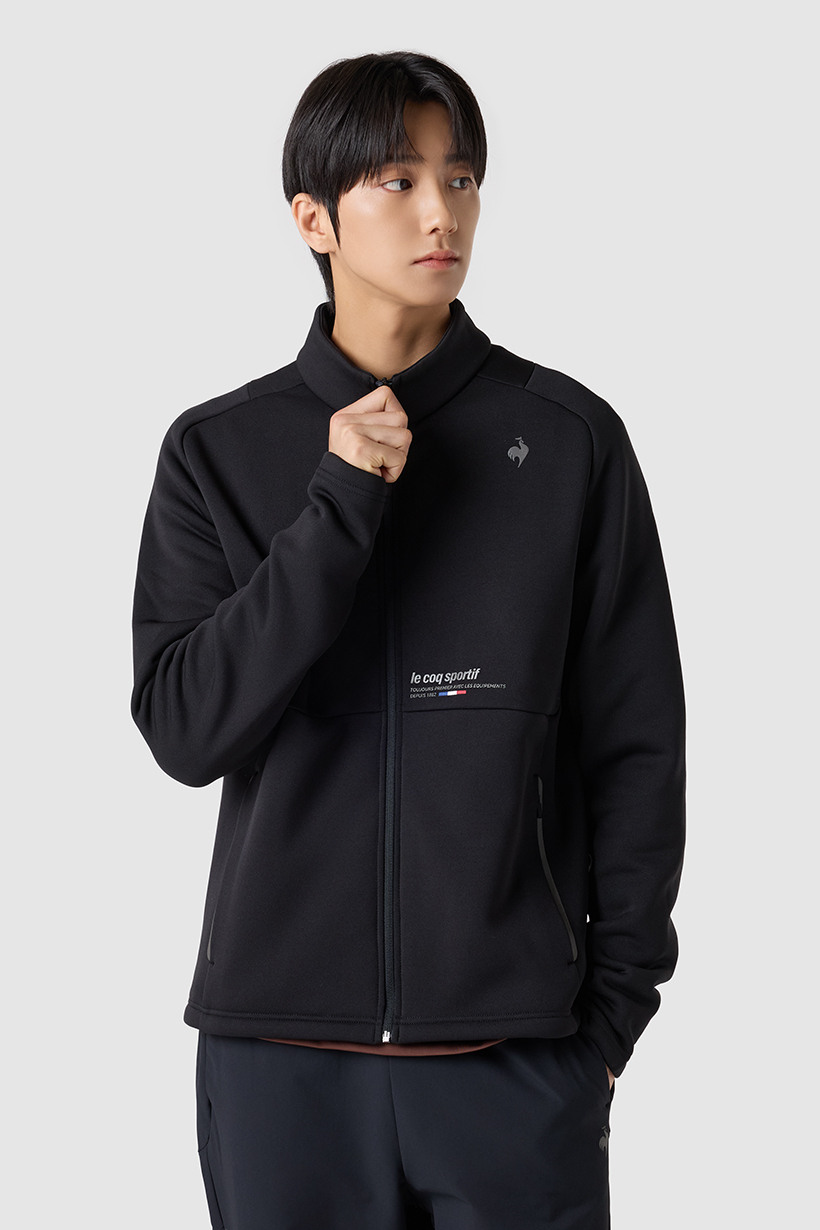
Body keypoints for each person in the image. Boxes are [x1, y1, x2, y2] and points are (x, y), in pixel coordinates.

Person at [130, 49, 686, 1229]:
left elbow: (636, 747)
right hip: (279, 1066)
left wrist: (606, 1028)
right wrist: (340, 505)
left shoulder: (568, 440)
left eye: (460, 176)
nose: (442, 212)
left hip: (513, 1060)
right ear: (313, 219)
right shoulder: (217, 451)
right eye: (396, 179)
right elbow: (186, 728)